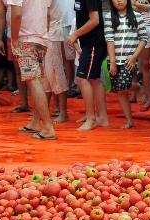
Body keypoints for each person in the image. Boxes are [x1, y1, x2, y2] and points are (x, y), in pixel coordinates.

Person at [8, 0, 56, 140]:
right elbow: (47, 14)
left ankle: (48, 127)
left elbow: (16, 14)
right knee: (36, 80)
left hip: (26, 38)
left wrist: (14, 39)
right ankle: (36, 122)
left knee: (32, 80)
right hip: (41, 37)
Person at [105, 0, 148, 129]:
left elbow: (143, 38)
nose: (119, 1)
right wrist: (112, 61)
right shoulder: (108, 17)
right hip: (113, 60)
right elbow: (109, 39)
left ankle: (137, 87)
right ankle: (129, 120)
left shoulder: (137, 16)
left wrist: (134, 57)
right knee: (119, 90)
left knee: (123, 86)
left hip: (129, 60)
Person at [68, 0, 109, 131]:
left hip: (94, 43)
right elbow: (83, 17)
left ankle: (91, 118)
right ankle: (101, 117)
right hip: (88, 43)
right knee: (94, 79)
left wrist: (76, 34)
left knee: (82, 78)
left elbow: (95, 20)